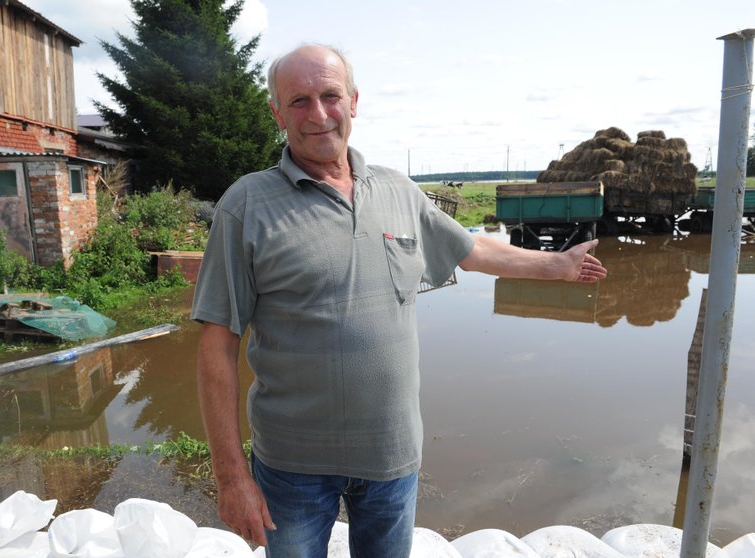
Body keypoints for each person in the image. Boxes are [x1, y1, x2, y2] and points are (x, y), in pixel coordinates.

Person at [191, 43, 607, 558]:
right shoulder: (247, 204)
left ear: (354, 102)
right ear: (277, 112)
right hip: (292, 466)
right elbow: (217, 346)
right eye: (299, 101)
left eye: (330, 95)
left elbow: (470, 249)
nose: (318, 114)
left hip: (392, 458)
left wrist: (556, 265)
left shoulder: (398, 191)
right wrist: (232, 478)